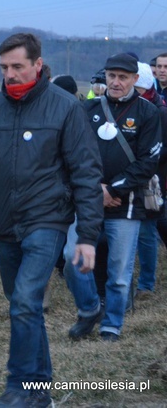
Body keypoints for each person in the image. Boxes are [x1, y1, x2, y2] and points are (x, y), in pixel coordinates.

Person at [0, 33, 103, 407]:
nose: (10, 74)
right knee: (25, 306)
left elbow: (86, 172)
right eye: (4, 68)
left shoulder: (66, 108)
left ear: (37, 64)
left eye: (18, 66)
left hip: (47, 220)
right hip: (4, 224)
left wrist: (86, 235)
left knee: (23, 302)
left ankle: (19, 388)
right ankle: (41, 393)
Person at [63, 53, 161, 343]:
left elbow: (148, 160)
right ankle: (90, 308)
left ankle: (112, 326)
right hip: (88, 200)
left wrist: (113, 190)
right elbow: (72, 153)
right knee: (72, 258)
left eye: (123, 77)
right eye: (111, 76)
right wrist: (96, 190)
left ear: (134, 79)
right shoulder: (88, 108)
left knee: (119, 273)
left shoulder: (147, 112)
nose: (116, 82)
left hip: (127, 205)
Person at [132, 62, 167, 299]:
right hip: (130, 178)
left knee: (149, 230)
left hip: (155, 181)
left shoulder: (160, 112)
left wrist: (142, 160)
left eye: (136, 89)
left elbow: (162, 149)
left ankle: (146, 284)